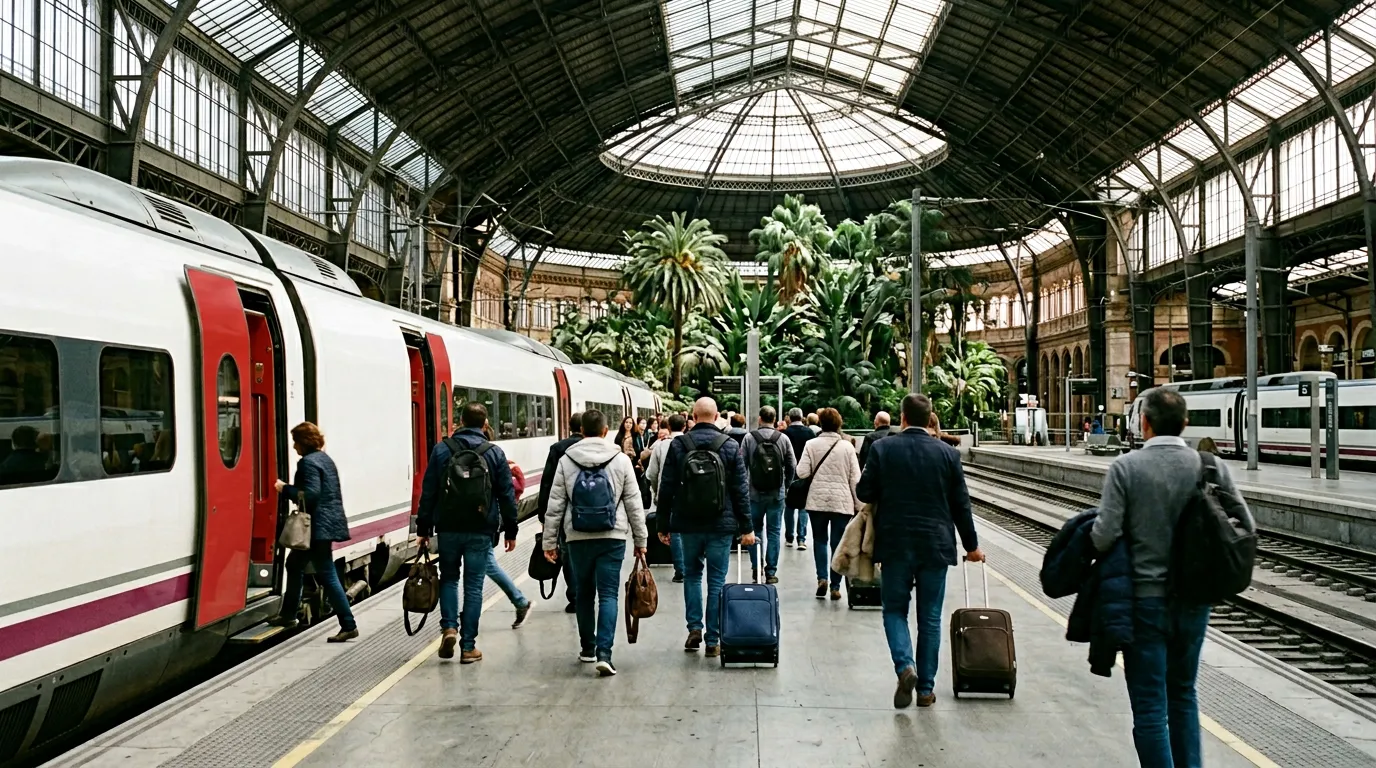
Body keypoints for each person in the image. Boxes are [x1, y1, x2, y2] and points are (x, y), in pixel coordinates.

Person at [1091, 387, 1251, 766]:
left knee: (1150, 705)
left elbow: (1102, 536)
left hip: (1145, 602)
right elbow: (1244, 525)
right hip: (1195, 600)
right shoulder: (1210, 465)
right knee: (1183, 693)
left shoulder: (1126, 468)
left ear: (1144, 423)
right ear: (1185, 423)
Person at [857, 393, 983, 709]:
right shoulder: (948, 454)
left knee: (895, 610)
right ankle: (925, 689)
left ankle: (905, 667)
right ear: (930, 420)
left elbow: (864, 491)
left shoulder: (883, 448)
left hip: (895, 544)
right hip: (935, 545)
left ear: (902, 418)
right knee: (929, 618)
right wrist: (972, 547)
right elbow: (961, 505)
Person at [543, 409, 648, 677]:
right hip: (612, 536)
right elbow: (634, 504)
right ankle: (605, 654)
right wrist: (641, 540)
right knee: (609, 594)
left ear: (580, 431)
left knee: (584, 595)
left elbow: (555, 505)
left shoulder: (567, 460)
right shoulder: (621, 459)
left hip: (577, 537)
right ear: (604, 431)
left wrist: (549, 542)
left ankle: (587, 649)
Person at [416, 403, 519, 664]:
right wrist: (511, 529)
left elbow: (428, 491)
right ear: (485, 424)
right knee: (473, 586)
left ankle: (449, 627)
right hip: (481, 528)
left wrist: (423, 528)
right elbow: (507, 494)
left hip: (448, 527)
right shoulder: (494, 452)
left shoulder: (442, 449)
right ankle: (468, 647)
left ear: (460, 421)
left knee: (449, 578)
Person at [656, 397, 753, 657]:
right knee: (717, 580)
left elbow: (666, 488)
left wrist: (663, 524)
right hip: (721, 524)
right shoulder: (730, 445)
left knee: (692, 575)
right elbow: (740, 490)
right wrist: (747, 527)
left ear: (693, 416)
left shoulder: (679, 445)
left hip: (687, 524)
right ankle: (713, 639)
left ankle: (694, 628)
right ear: (717, 415)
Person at [270, 422, 357, 642]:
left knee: (327, 574)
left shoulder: (308, 463)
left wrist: (285, 489)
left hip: (317, 527)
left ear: (303, 442)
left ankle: (348, 624)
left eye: (295, 442)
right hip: (325, 524)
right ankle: (288, 614)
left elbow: (311, 494)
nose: (293, 446)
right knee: (294, 564)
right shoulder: (325, 460)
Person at [795, 407, 862, 600]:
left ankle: (821, 578)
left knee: (819, 540)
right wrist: (859, 505)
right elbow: (855, 479)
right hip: (842, 503)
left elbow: (802, 472)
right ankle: (835, 586)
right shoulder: (848, 446)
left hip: (817, 501)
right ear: (839, 423)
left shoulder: (811, 444)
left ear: (820, 424)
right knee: (838, 543)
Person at [741, 406, 795, 584]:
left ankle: (756, 567)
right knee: (774, 532)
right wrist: (785, 486)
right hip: (776, 494)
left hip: (753, 493)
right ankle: (771, 571)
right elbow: (792, 465)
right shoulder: (783, 438)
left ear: (759, 419)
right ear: (774, 419)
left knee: (754, 530)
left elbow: (742, 467)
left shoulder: (749, 438)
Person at [538, 412, 585, 613]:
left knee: (568, 553)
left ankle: (575, 596)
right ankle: (590, 593)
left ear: (570, 426)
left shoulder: (558, 449)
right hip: (598, 513)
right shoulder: (606, 450)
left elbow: (547, 483)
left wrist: (544, 516)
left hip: (567, 513)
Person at [646, 414, 689, 582]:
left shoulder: (661, 446)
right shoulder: (690, 443)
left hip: (669, 494)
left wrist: (658, 493)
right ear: (684, 426)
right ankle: (691, 566)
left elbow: (652, 474)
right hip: (690, 495)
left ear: (669, 427)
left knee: (676, 532)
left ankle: (680, 570)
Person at [782, 408, 814, 550]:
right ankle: (801, 539)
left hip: (789, 475)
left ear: (790, 417)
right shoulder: (810, 433)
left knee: (788, 507)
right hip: (805, 475)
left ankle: (789, 537)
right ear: (802, 417)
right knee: (803, 507)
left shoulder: (785, 434)